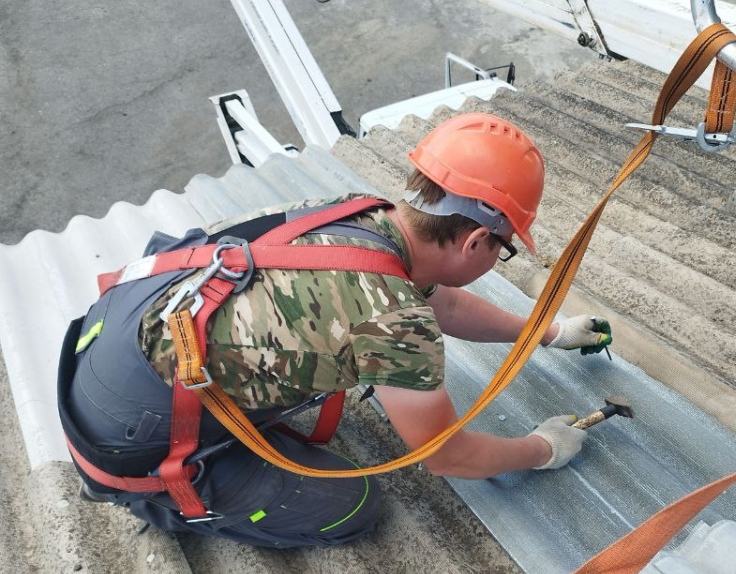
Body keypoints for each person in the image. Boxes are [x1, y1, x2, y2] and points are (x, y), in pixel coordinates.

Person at [57, 114, 613, 549]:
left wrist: (546, 332)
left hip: (118, 340)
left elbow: (438, 300)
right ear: (476, 244)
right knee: (352, 505)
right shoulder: (394, 323)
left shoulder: (356, 214)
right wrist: (543, 449)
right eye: (506, 247)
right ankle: (163, 497)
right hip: (128, 439)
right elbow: (448, 457)